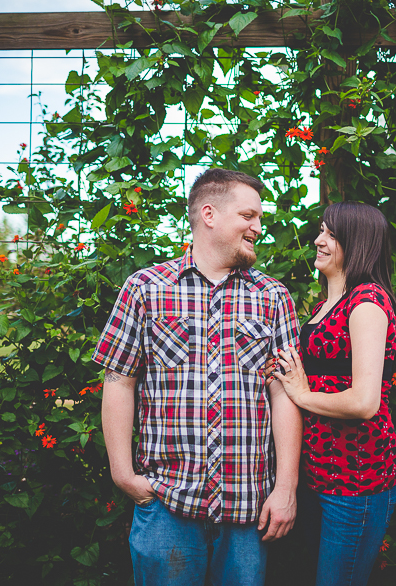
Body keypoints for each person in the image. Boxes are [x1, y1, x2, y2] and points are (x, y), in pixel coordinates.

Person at [92, 168, 303, 586]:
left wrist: (286, 489)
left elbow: (285, 396)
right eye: (248, 216)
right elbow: (120, 381)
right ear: (209, 214)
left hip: (248, 509)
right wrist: (123, 474)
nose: (258, 227)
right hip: (166, 504)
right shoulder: (145, 289)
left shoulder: (272, 297)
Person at [271, 201, 396, 586]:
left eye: (330, 234)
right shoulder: (325, 305)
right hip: (320, 475)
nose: (318, 240)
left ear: (357, 241)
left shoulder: (367, 303)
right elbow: (321, 373)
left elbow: (364, 401)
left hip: (356, 479)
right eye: (321, 231)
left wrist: (301, 393)